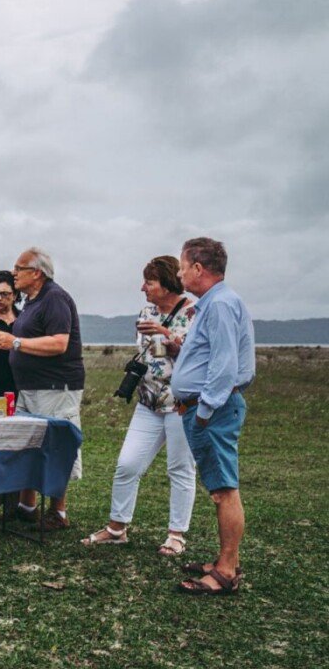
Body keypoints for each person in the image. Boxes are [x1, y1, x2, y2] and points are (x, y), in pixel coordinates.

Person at [82, 256, 197, 554]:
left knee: (180, 468)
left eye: (149, 281)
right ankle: (117, 528)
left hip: (181, 403)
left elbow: (199, 356)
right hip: (148, 401)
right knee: (127, 463)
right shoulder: (147, 311)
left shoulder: (194, 312)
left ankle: (176, 535)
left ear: (168, 282)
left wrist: (167, 336)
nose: (142, 287)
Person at [170, 237, 255, 596]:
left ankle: (226, 571)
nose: (179, 271)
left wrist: (203, 409)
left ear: (198, 269)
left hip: (214, 411)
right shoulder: (213, 304)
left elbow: (224, 365)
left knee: (223, 491)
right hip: (204, 407)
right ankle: (225, 561)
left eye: (182, 265)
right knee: (219, 487)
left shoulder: (219, 305)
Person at [0, 247, 84, 530]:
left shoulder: (54, 298)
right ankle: (26, 506)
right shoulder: (32, 300)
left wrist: (15, 343)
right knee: (26, 445)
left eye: (19, 268)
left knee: (56, 446)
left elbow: (59, 343)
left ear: (37, 273)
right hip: (30, 387)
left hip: (54, 387)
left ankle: (58, 512)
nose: (14, 273)